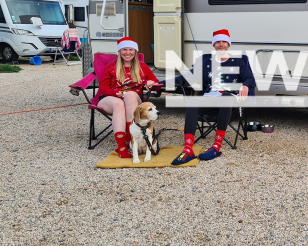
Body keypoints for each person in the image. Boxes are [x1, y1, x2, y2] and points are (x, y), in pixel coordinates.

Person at [172, 29, 255, 164]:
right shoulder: (206, 62)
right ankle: (188, 149)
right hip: (210, 98)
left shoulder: (239, 61)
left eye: (224, 42)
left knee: (226, 97)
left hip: (230, 100)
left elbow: (250, 79)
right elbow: (186, 77)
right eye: (217, 42)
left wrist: (245, 85)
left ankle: (216, 146)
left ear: (228, 44)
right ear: (213, 45)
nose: (221, 44)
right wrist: (160, 82)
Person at [98, 37, 158, 158]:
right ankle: (122, 147)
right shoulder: (111, 67)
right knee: (119, 104)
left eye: (131, 49)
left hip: (133, 101)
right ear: (119, 51)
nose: (127, 52)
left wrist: (152, 83)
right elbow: (102, 88)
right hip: (110, 99)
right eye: (124, 49)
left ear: (135, 52)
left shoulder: (142, 67)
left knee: (130, 95)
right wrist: (115, 93)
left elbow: (156, 84)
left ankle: (130, 140)